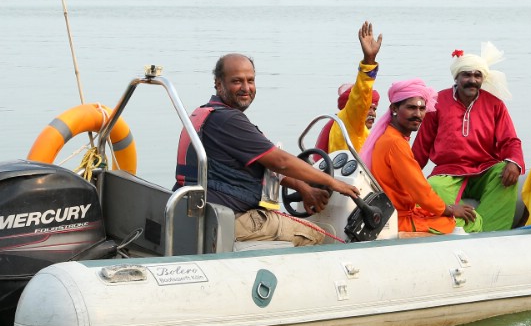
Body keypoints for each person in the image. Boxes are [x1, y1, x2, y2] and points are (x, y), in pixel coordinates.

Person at [175, 53, 360, 246]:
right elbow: (281, 162)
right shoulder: (229, 120)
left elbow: (265, 162)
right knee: (316, 234)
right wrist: (333, 182)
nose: (246, 88)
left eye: (250, 80)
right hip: (229, 217)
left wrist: (303, 187)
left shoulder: (207, 114)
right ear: (219, 84)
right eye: (237, 81)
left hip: (199, 211)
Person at [411, 43, 525, 233]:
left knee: (505, 178)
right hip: (448, 171)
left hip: (485, 169)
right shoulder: (438, 102)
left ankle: (490, 233)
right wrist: (408, 178)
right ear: (457, 77)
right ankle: (472, 227)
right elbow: (421, 147)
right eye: (467, 75)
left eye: (477, 75)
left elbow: (510, 140)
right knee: (433, 187)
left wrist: (513, 162)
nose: (472, 80)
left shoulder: (495, 104)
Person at [359, 79, 476, 235]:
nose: (418, 114)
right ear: (394, 108)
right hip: (398, 219)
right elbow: (420, 191)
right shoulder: (396, 143)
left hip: (394, 213)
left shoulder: (390, 136)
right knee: (469, 220)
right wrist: (449, 210)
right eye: (411, 108)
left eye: (422, 108)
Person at [314, 21, 382, 153]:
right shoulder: (351, 122)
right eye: (368, 108)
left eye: (374, 109)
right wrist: (369, 61)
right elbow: (361, 96)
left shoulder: (342, 124)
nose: (373, 113)